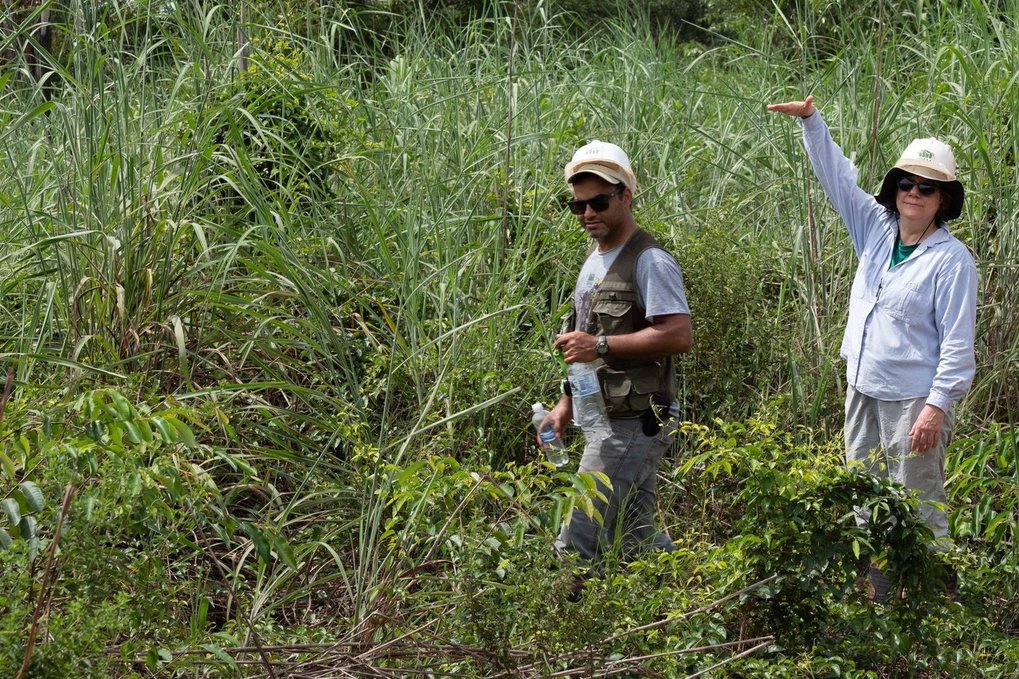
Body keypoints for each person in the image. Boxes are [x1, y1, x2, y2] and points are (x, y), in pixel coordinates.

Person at [768, 96, 977, 598]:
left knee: (918, 502)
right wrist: (812, 122)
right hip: (862, 390)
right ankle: (882, 603)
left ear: (943, 200)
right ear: (895, 188)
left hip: (913, 404)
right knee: (868, 498)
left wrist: (935, 409)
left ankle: (938, 607)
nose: (914, 193)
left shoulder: (952, 261)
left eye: (928, 188)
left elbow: (957, 345)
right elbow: (836, 180)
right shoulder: (877, 231)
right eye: (907, 183)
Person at [538, 139, 693, 565]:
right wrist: (564, 405)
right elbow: (582, 345)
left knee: (577, 535)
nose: (589, 214)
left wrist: (601, 344)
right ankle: (685, 607)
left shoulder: (650, 260)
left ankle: (559, 622)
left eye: (600, 202)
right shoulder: (595, 258)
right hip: (602, 414)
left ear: (626, 196)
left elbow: (678, 335)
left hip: (635, 418)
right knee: (635, 537)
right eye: (579, 206)